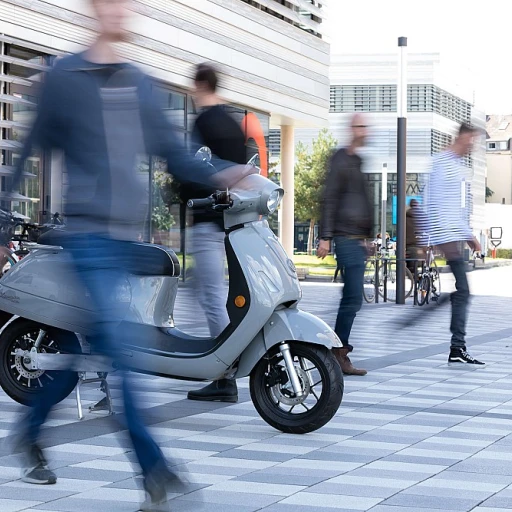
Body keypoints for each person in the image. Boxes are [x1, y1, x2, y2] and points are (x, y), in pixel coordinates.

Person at [8, 1, 252, 510]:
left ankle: (28, 431)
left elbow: (174, 152)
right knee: (122, 357)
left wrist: (223, 173)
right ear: (95, 9)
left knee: (91, 357)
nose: (125, 11)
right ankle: (155, 474)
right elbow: (28, 147)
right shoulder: (64, 77)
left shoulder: (140, 84)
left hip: (127, 245)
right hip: (89, 240)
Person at [182, 63, 247, 404]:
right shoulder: (234, 125)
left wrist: (180, 191)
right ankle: (219, 360)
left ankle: (225, 375)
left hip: (208, 220)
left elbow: (194, 171)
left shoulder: (204, 123)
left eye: (193, 88)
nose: (191, 95)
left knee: (209, 297)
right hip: (232, 223)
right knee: (209, 291)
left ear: (201, 85)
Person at [423, 122, 484, 365]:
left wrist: (469, 237)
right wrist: (436, 238)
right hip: (447, 236)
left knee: (462, 291)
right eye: (471, 140)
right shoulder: (443, 163)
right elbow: (433, 202)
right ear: (462, 137)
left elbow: (456, 210)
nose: (473, 145)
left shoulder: (457, 166)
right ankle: (457, 347)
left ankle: (457, 346)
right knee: (464, 291)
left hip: (453, 236)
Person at [317, 114, 372, 376]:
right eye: (362, 126)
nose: (366, 130)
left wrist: (366, 237)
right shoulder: (340, 158)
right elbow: (330, 197)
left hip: (355, 239)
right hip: (343, 236)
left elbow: (360, 200)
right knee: (352, 296)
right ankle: (338, 352)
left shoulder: (358, 161)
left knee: (352, 298)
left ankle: (338, 350)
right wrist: (325, 236)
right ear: (353, 129)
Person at [406, 199, 424, 274]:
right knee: (423, 262)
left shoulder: (405, 218)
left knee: (410, 265)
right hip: (419, 245)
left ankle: (413, 278)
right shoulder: (421, 216)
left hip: (408, 245)